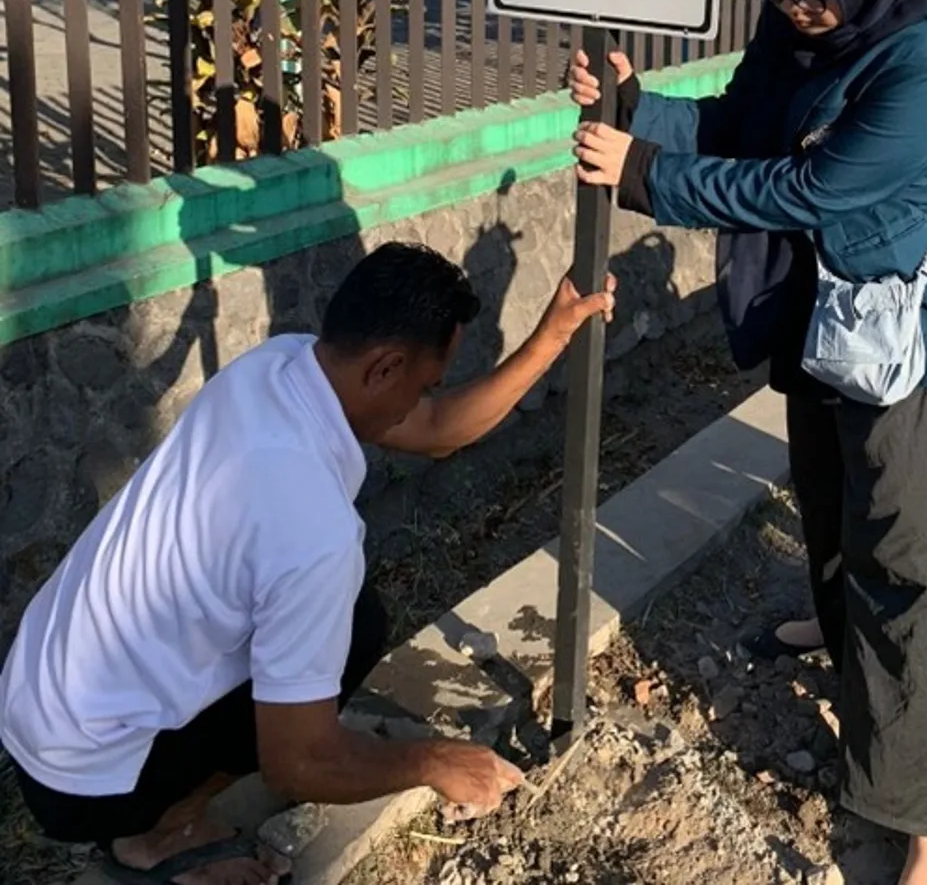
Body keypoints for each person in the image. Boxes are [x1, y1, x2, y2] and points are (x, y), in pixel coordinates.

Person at [570, 0, 927, 885]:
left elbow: (808, 188)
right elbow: (735, 127)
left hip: (926, 352)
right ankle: (844, 651)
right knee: (833, 526)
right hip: (832, 331)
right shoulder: (793, 36)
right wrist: (634, 104)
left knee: (920, 584)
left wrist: (641, 176)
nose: (793, 9)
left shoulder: (926, 63)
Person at [0, 243, 615, 885]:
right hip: (81, 779)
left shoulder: (282, 363)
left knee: (353, 618)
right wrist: (433, 760)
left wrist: (552, 336)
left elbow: (434, 428)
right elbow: (299, 764)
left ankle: (158, 804)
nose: (420, 400)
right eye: (423, 382)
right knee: (349, 636)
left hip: (38, 705)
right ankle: (160, 833)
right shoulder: (312, 528)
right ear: (384, 368)